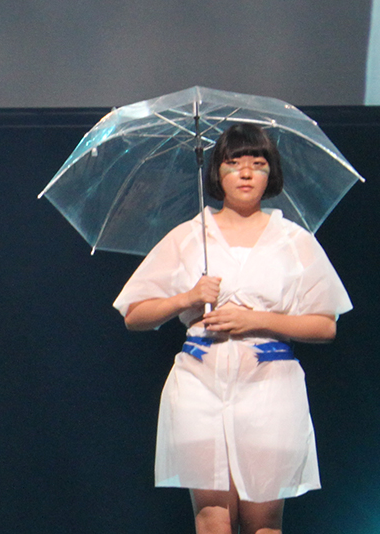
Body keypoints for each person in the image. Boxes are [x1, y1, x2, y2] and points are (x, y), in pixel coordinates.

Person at [113, 124, 352, 534]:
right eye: (234, 163)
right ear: (216, 172)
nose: (245, 173)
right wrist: (187, 297)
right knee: (212, 517)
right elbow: (135, 315)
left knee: (264, 520)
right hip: (200, 382)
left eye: (258, 164)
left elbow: (324, 324)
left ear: (270, 174)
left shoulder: (293, 240)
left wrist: (256, 320)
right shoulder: (190, 236)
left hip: (269, 386)